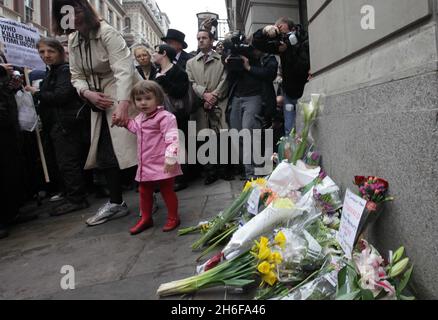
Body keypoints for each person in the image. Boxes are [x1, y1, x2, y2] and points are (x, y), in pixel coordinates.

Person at [52, 0, 141, 226]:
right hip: (97, 97)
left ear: (86, 10)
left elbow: (124, 71)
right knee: (104, 151)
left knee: (136, 147)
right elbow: (76, 75)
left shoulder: (108, 33)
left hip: (125, 91)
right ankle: (116, 203)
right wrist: (87, 93)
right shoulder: (72, 40)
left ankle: (148, 195)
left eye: (77, 10)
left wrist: (123, 105)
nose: (73, 17)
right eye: (66, 13)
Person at [25, 38, 89, 216]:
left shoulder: (64, 70)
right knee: (62, 162)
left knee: (68, 162)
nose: (46, 55)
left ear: (60, 52)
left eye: (50, 51)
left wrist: (37, 92)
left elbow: (61, 96)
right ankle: (71, 193)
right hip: (55, 124)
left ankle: (77, 198)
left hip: (65, 124)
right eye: (42, 52)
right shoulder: (52, 72)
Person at [113, 80, 182, 235]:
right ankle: (146, 218)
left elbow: (172, 139)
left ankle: (173, 217)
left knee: (167, 190)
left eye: (148, 98)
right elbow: (135, 128)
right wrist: (124, 123)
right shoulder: (140, 117)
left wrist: (170, 158)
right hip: (146, 164)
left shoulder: (165, 117)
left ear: (158, 99)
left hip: (163, 162)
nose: (143, 103)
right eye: (138, 99)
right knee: (144, 190)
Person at [224, 38, 278, 180]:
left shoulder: (267, 58)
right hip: (236, 97)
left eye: (254, 47)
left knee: (248, 132)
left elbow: (269, 74)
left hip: (254, 97)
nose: (252, 50)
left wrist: (248, 67)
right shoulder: (237, 56)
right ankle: (248, 169)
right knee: (236, 134)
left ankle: (252, 174)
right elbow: (230, 78)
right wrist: (228, 63)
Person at [186, 30, 229, 185]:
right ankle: (209, 171)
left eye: (204, 38)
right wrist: (204, 94)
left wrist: (214, 95)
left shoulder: (221, 60)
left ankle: (224, 169)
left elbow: (226, 78)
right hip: (200, 105)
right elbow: (190, 82)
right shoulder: (190, 63)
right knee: (204, 138)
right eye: (198, 38)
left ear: (211, 41)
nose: (201, 40)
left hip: (219, 102)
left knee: (222, 136)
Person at [152, 44, 190, 191]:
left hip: (177, 115)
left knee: (178, 145)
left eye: (156, 52)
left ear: (164, 53)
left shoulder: (179, 72)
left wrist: (164, 81)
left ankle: (181, 179)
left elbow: (180, 92)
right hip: (160, 116)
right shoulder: (156, 72)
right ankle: (166, 178)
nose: (153, 54)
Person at [275, 17, 310, 136]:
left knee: (306, 128)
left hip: (303, 90)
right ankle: (291, 153)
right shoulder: (281, 45)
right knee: (289, 128)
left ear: (293, 29)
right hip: (288, 93)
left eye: (282, 29)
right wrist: (269, 32)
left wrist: (294, 47)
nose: (282, 34)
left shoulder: (304, 42)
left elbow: (303, 66)